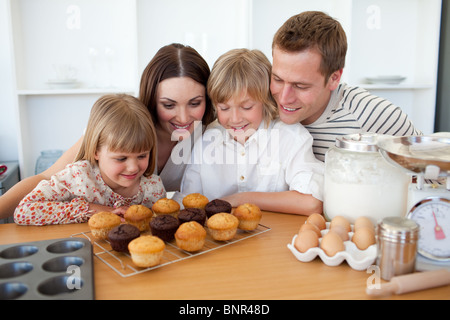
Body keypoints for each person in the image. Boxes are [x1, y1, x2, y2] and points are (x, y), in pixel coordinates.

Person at [0, 43, 214, 218]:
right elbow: (46, 177)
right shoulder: (123, 126)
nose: (184, 118)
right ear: (151, 98)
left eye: (195, 103)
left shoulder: (211, 134)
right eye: (168, 105)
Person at [181, 49, 324, 215]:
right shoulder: (207, 140)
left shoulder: (289, 136)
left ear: (266, 100)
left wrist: (240, 199)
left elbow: (312, 203)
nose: (234, 119)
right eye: (224, 108)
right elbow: (188, 202)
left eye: (246, 107)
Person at [270, 11, 422, 161]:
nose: (284, 98)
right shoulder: (259, 106)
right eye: (277, 79)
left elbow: (433, 177)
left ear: (334, 78)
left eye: (301, 86)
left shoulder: (373, 116)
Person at [14, 94, 165, 225]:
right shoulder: (77, 177)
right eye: (121, 158)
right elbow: (24, 210)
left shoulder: (153, 189)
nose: (133, 167)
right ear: (95, 151)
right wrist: (94, 209)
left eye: (142, 156)